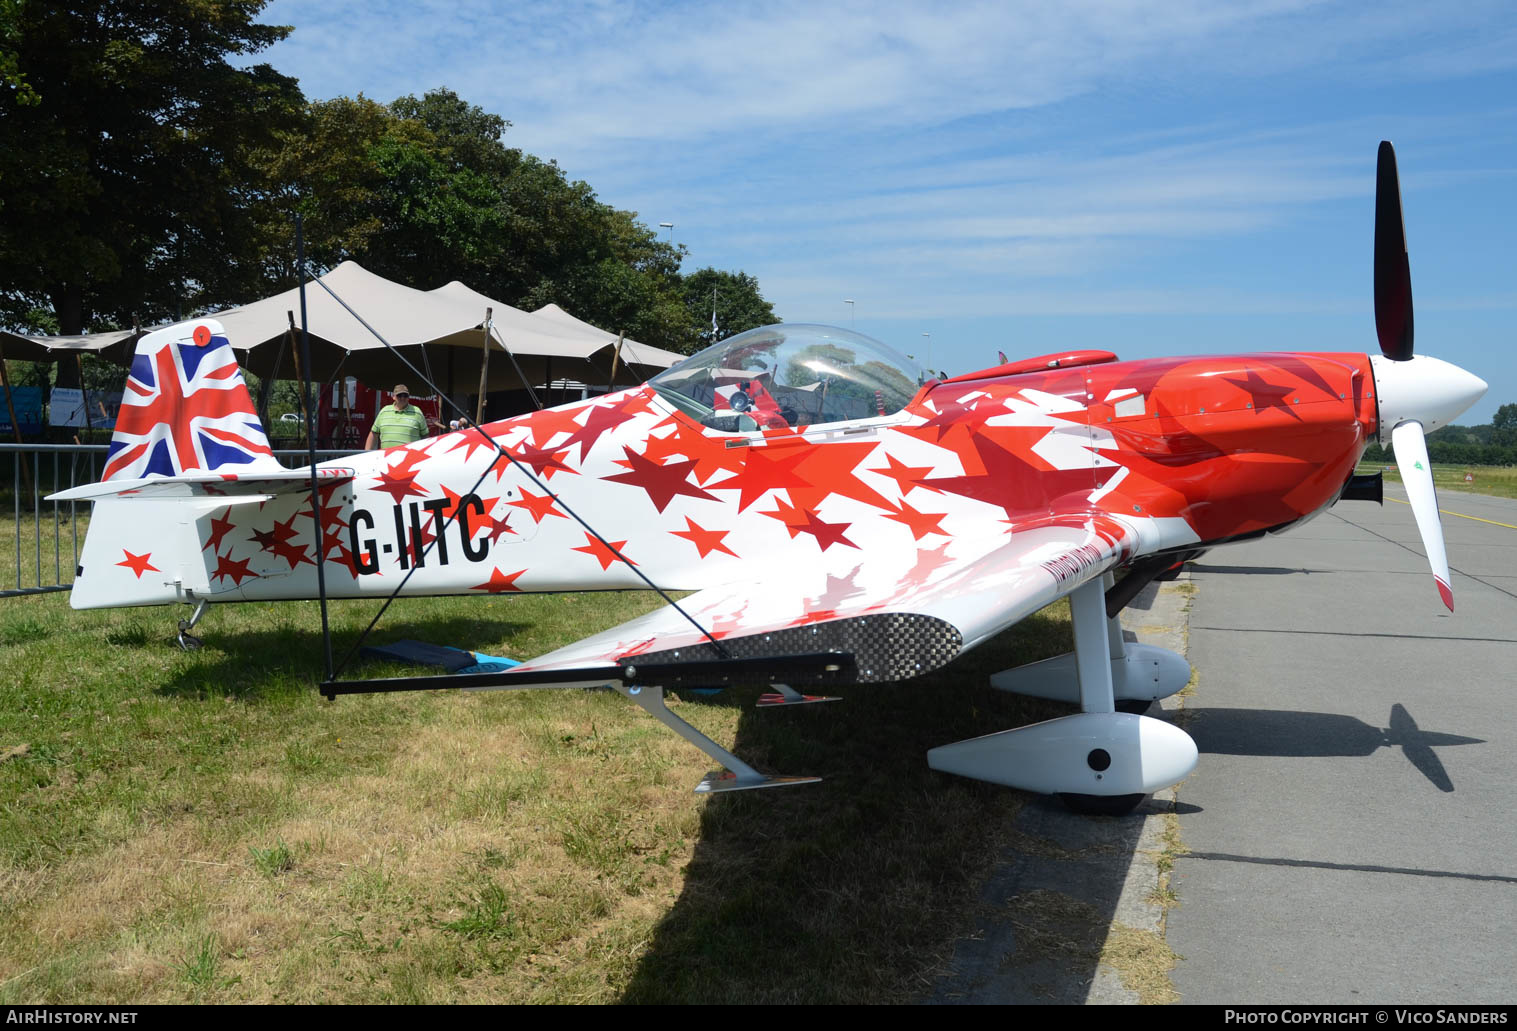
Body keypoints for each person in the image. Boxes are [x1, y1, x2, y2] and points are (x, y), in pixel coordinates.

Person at [365, 385, 436, 449]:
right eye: (399, 395)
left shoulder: (417, 412)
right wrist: (366, 454)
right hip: (386, 459)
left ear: (408, 397)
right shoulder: (384, 411)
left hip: (409, 459)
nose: (402, 398)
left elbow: (425, 436)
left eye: (405, 395)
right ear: (393, 397)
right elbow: (373, 434)